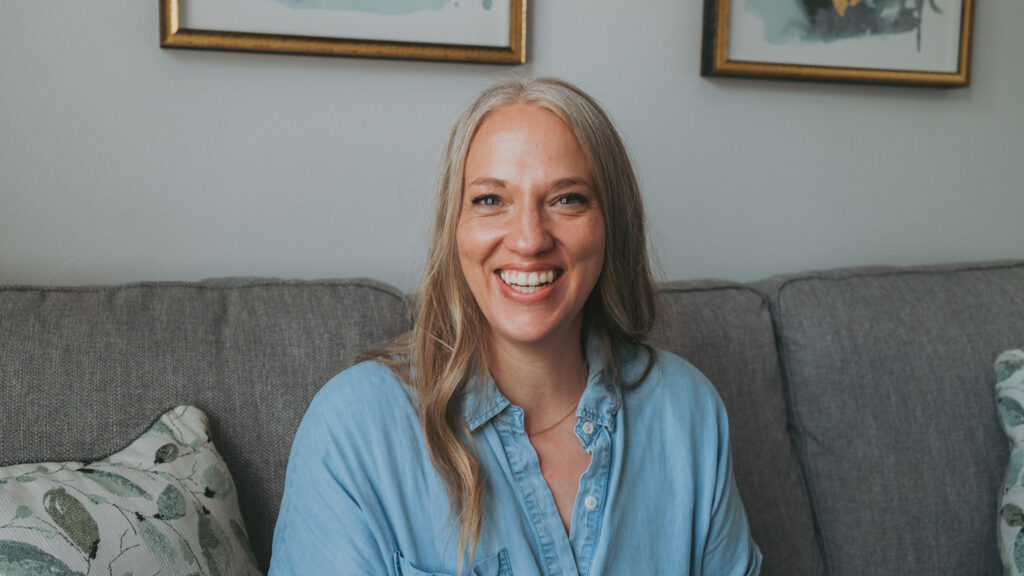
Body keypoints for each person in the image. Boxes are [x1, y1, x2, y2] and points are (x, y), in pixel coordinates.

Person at [269, 77, 762, 576]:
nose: (529, 240)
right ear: (454, 227)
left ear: (612, 223)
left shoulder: (688, 413)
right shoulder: (356, 426)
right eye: (489, 200)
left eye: (567, 199)